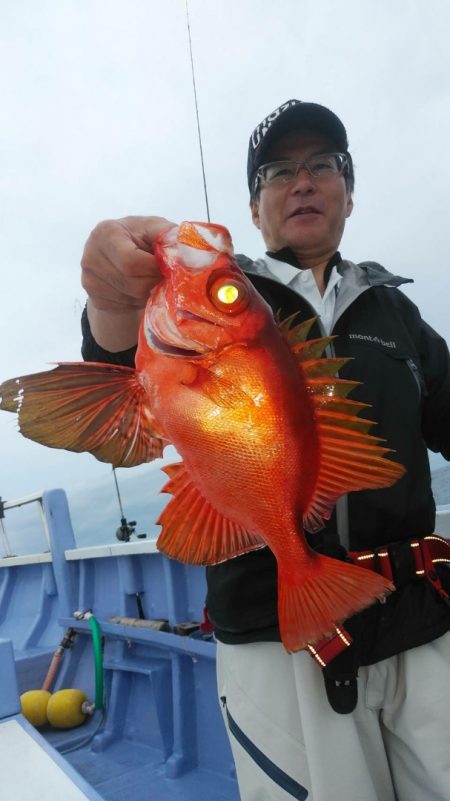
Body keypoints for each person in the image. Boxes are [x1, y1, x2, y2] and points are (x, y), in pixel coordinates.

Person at [80, 100, 450, 801]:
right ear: (255, 208)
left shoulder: (397, 314)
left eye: (321, 166)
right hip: (278, 645)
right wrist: (109, 294)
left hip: (421, 622)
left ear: (348, 191)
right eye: (280, 171)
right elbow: (116, 358)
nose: (302, 182)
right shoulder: (223, 294)